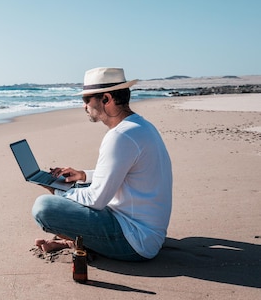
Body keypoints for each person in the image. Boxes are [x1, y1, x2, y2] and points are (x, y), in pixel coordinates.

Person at [31, 67, 172, 261]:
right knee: (81, 187)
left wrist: (55, 189)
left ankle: (75, 242)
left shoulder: (120, 136)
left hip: (134, 240)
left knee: (44, 207)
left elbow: (96, 200)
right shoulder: (140, 126)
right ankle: (76, 241)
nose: (84, 106)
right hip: (147, 230)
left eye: (86, 100)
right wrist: (82, 176)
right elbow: (125, 173)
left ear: (106, 99)